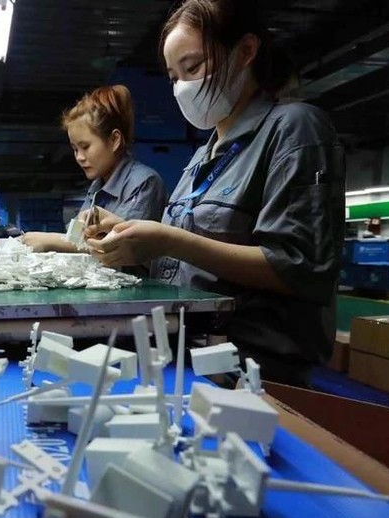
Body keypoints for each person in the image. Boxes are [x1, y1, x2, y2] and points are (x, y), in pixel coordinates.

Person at [85, 0, 345, 387]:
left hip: (254, 371)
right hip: (184, 355)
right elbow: (184, 261)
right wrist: (129, 236)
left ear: (245, 52)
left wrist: (170, 239)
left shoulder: (295, 130)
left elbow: (300, 268)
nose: (182, 87)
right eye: (173, 76)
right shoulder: (202, 155)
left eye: (192, 68)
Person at [21, 85, 167, 253]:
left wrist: (52, 240)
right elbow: (76, 237)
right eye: (75, 149)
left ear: (114, 140)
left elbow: (123, 250)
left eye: (85, 146)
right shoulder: (97, 188)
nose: (79, 157)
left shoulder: (144, 183)